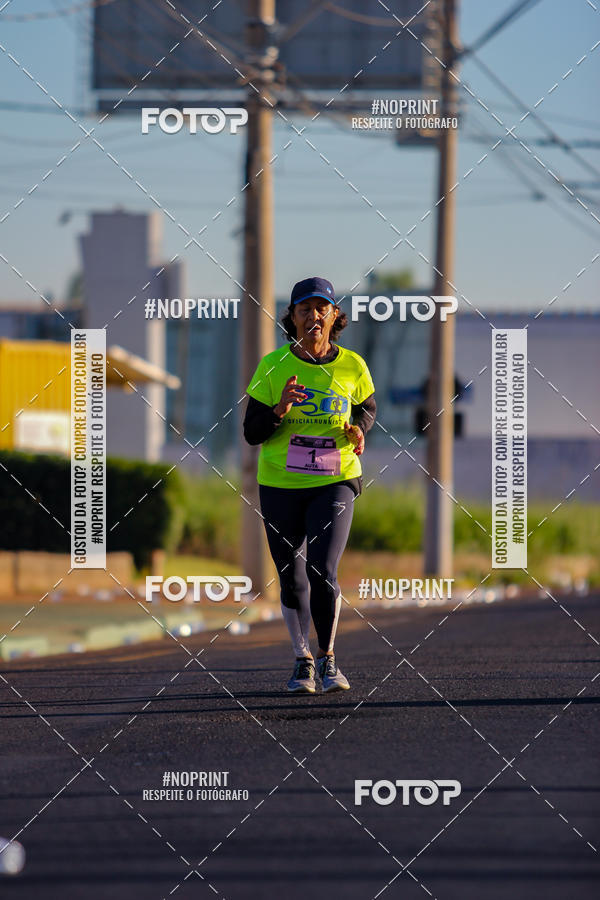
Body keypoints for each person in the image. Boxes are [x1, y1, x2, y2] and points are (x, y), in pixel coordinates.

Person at [243, 276, 376, 694]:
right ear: (293, 318)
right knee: (290, 574)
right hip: (281, 482)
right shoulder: (272, 366)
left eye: (322, 309)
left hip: (335, 479)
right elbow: (252, 432)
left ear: (335, 315)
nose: (314, 317)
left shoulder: (353, 365)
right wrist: (280, 408)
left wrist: (358, 429)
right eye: (305, 310)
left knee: (323, 567)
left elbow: (367, 408)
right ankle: (302, 660)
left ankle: (329, 658)